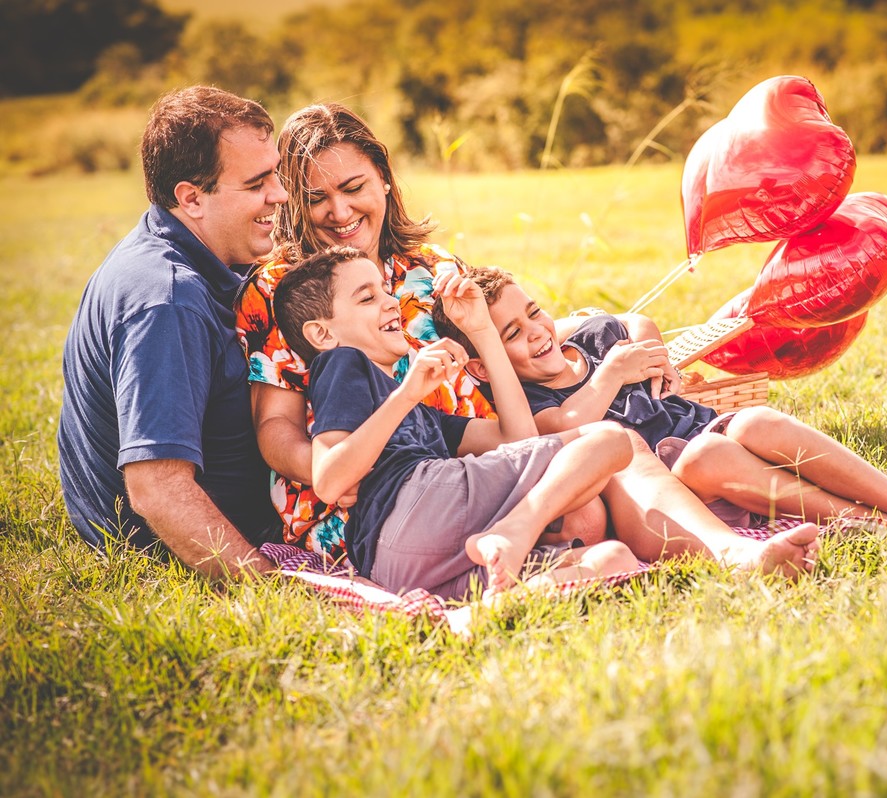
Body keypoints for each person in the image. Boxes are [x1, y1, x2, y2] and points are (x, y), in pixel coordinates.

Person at [237, 102, 821, 578]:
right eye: (316, 198)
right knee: (603, 457)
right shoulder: (283, 289)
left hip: (476, 456)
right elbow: (275, 429)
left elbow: (514, 330)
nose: (338, 211)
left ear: (384, 181)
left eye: (353, 187)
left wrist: (622, 326)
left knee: (592, 502)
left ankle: (691, 553)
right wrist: (336, 470)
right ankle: (728, 551)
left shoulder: (430, 267)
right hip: (371, 496)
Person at [433, 266, 887, 530]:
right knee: (712, 456)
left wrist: (655, 351)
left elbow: (630, 322)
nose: (536, 333)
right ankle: (859, 520)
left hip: (702, 425)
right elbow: (566, 421)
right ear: (483, 366)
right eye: (513, 334)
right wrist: (611, 376)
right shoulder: (527, 402)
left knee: (757, 420)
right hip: (673, 483)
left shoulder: (592, 337)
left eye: (535, 313)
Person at [272, 246, 639, 599]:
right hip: (414, 505)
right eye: (367, 298)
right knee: (608, 438)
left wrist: (482, 331)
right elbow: (330, 480)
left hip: (401, 568)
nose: (389, 302)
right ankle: (517, 530)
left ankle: (484, 607)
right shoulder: (343, 363)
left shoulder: (422, 414)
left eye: (385, 290)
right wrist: (406, 395)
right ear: (322, 334)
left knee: (611, 560)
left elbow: (518, 438)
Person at [58, 86, 285, 578]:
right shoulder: (167, 301)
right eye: (256, 183)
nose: (280, 194)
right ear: (192, 198)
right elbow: (157, 489)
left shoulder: (186, 248)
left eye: (277, 174)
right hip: (175, 547)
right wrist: (267, 586)